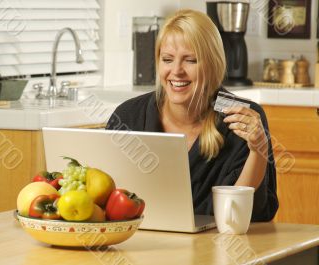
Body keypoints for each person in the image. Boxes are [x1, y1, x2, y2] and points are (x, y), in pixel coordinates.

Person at [105, 9, 278, 221]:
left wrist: (258, 150)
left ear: (213, 64)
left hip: (218, 246)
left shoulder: (242, 117)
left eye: (191, 60)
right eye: (167, 59)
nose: (176, 71)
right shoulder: (127, 116)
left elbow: (239, 216)